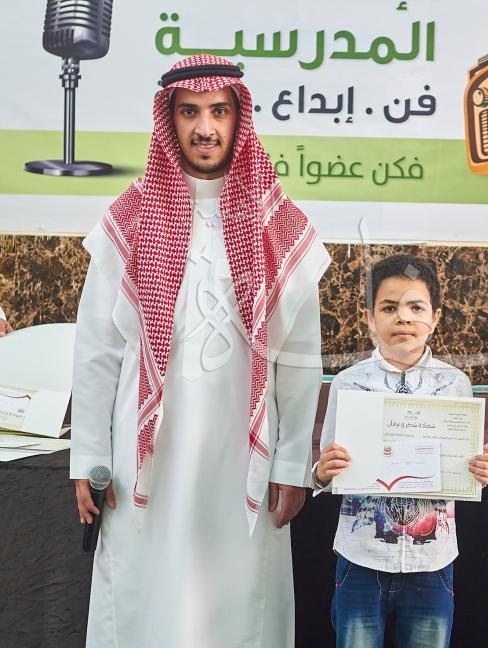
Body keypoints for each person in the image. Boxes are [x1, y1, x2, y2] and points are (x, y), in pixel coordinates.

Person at [70, 54, 330, 648]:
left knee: (238, 602)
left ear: (240, 119)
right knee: (142, 592)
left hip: (243, 457)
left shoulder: (279, 223)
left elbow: (299, 360)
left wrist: (293, 462)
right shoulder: (130, 217)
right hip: (145, 458)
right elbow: (97, 351)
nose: (205, 127)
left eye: (218, 112)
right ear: (170, 120)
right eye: (189, 112)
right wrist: (89, 454)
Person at [313, 254, 488, 648]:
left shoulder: (455, 384)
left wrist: (478, 471)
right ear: (369, 318)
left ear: (436, 317)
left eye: (416, 308)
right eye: (389, 308)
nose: (403, 318)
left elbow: (464, 469)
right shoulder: (348, 383)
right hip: (361, 557)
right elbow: (325, 471)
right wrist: (322, 472)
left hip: (432, 561)